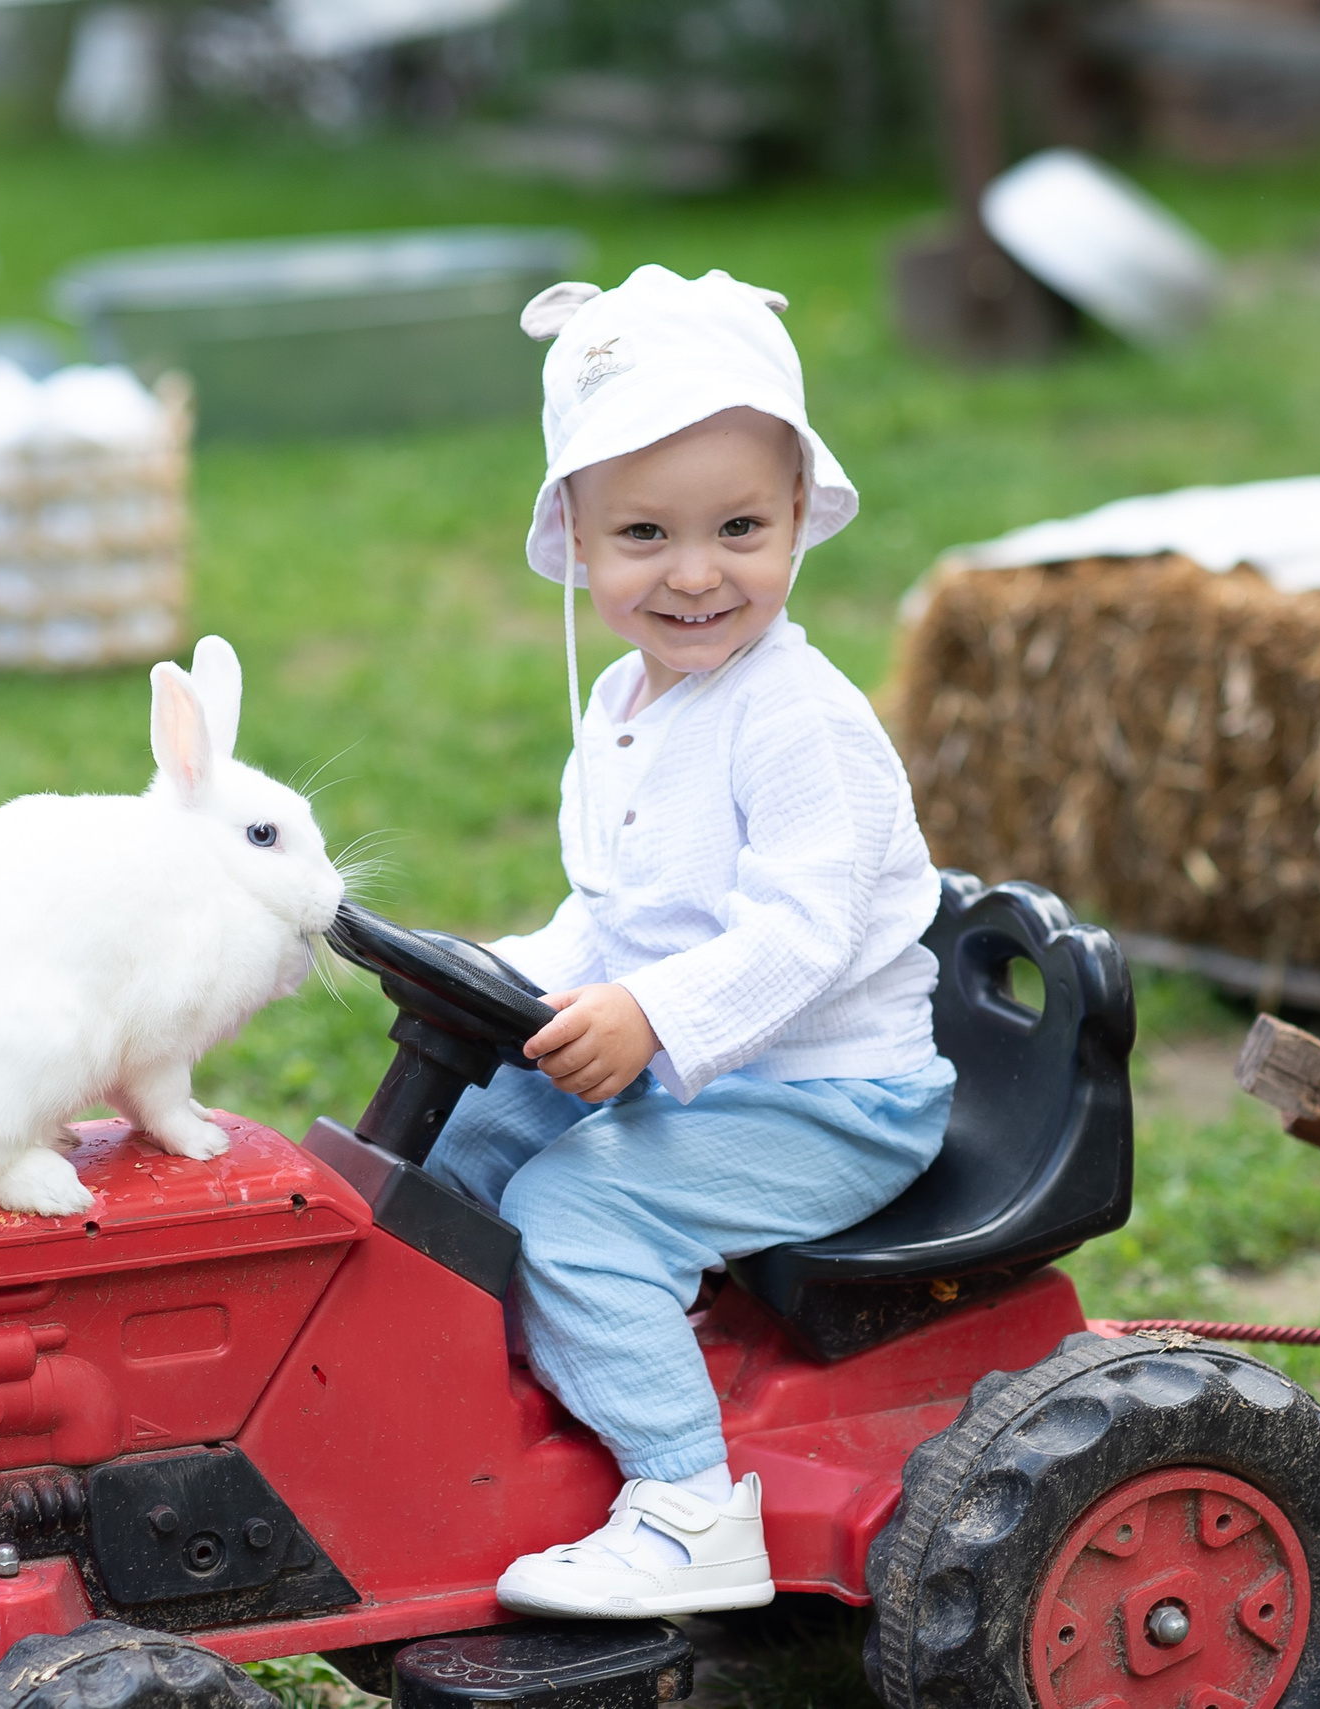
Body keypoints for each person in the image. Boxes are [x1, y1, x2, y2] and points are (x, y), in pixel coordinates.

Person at [425, 265, 955, 1618]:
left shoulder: (797, 718)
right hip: (709, 1061)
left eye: (738, 525)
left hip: (833, 1095)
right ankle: (463, 1418)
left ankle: (681, 1497)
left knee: (571, 1203)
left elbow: (803, 933)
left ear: (796, 520)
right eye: (647, 534)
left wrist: (652, 1015)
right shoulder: (622, 699)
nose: (698, 572)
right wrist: (510, 975)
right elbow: (610, 909)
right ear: (578, 540)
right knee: (467, 1140)